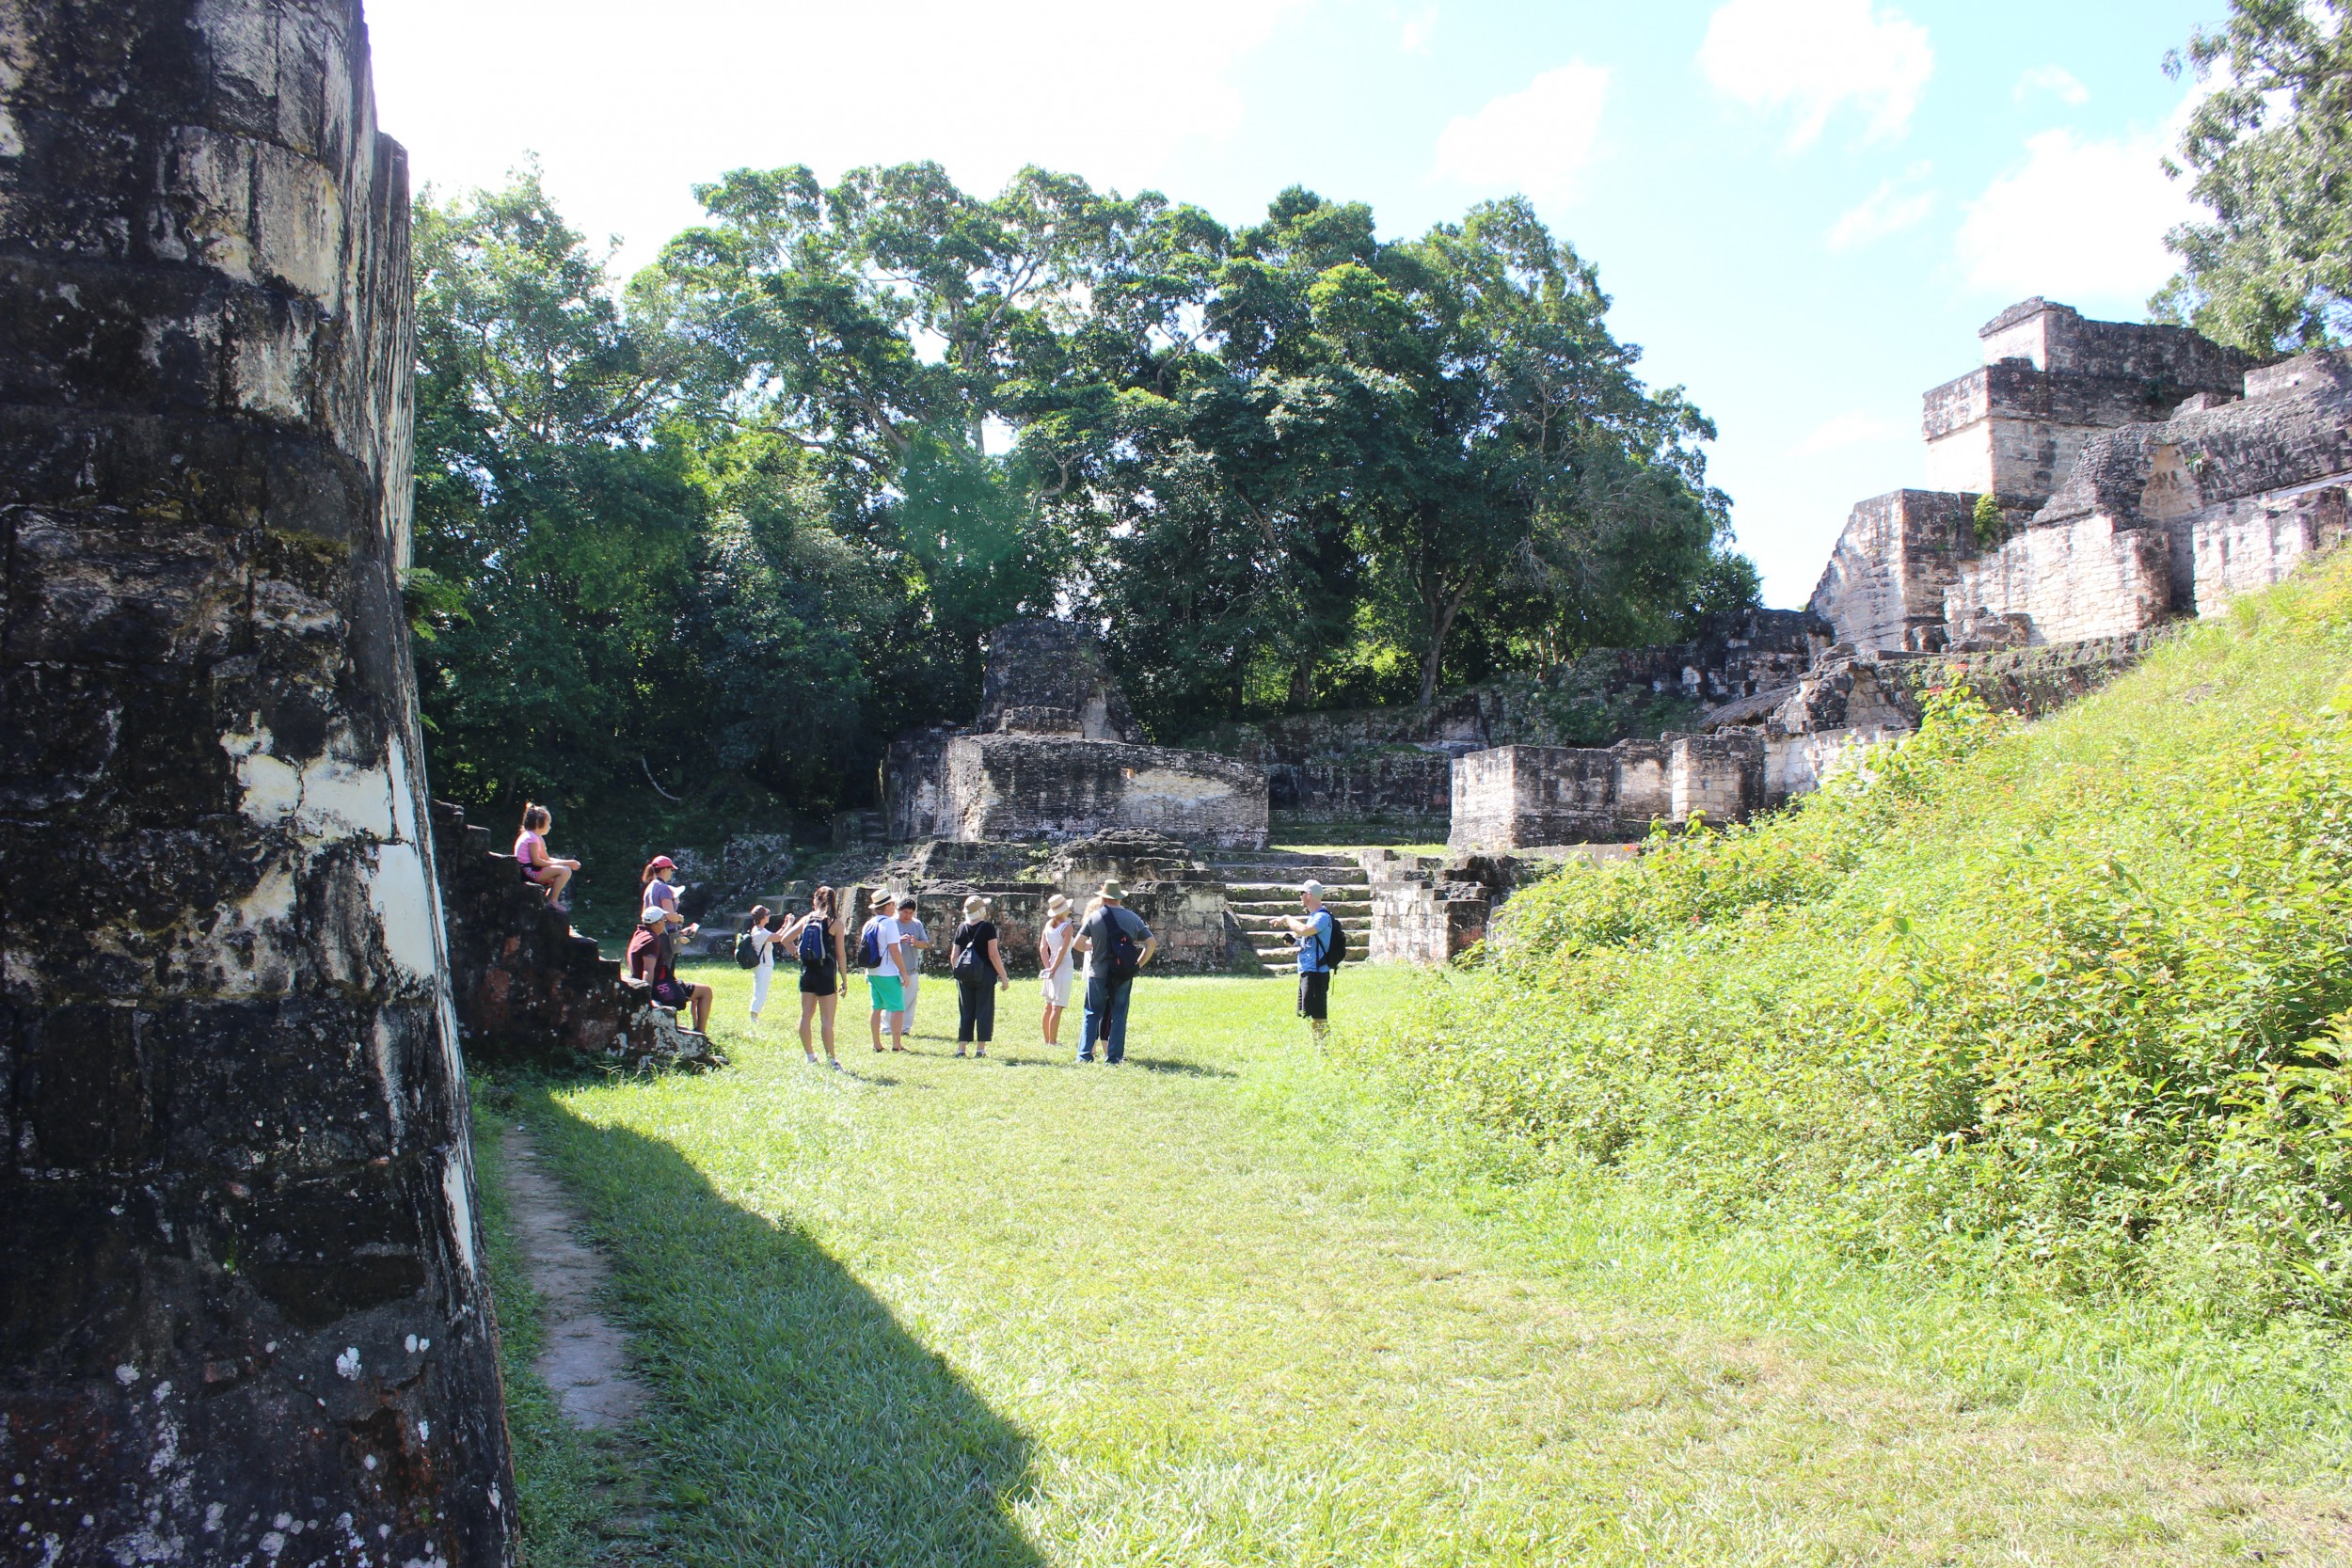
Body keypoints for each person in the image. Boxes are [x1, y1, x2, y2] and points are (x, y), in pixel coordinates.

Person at [1072, 879, 1155, 1065]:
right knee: (1118, 1014)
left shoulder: (1095, 917)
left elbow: (1077, 944)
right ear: (1119, 898)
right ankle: (1114, 1057)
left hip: (1098, 972)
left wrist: (1094, 945)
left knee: (1091, 1013)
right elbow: (1151, 943)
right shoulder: (1133, 918)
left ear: (1103, 897)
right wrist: (1138, 965)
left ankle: (1084, 1055)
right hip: (1123, 972)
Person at [638, 857, 711, 1033]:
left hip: (656, 934)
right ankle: (666, 1015)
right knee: (666, 975)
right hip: (665, 937)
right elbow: (669, 914)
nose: (671, 873)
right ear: (664, 870)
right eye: (671, 870)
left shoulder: (650, 887)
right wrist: (679, 918)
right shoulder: (663, 888)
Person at [781, 887, 849, 1069]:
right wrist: (844, 978)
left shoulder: (807, 919)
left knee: (805, 1016)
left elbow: (785, 939)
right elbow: (840, 954)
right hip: (825, 974)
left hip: (807, 972)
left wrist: (797, 953)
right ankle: (832, 1060)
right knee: (827, 1020)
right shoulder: (835, 923)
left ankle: (810, 1056)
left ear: (816, 900)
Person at [948, 895, 1011, 1057]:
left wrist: (959, 971)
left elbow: (954, 955)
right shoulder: (988, 928)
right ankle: (980, 1049)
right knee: (984, 1010)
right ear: (982, 911)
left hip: (965, 976)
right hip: (985, 974)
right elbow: (993, 954)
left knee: (966, 1011)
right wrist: (1003, 975)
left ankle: (961, 1049)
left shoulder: (961, 928)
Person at [1279, 879, 1339, 1047]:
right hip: (1309, 970)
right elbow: (1308, 940)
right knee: (1311, 1013)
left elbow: (1304, 930)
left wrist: (1287, 918)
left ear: (1309, 895)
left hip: (1317, 972)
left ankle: (1324, 1048)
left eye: (1301, 893)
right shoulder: (1314, 917)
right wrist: (1295, 943)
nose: (1300, 896)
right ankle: (1320, 1046)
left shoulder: (1321, 917)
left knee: (1319, 1014)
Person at [859, 890, 913, 1053]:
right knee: (897, 1008)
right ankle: (896, 1045)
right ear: (887, 906)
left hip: (872, 971)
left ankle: (877, 1044)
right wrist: (903, 972)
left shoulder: (869, 923)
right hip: (887, 972)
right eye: (893, 904)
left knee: (877, 1008)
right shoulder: (889, 924)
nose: (894, 907)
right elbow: (894, 950)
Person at [513, 803, 579, 912]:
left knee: (566, 870)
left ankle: (549, 899)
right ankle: (552, 901)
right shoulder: (532, 838)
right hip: (527, 872)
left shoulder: (536, 837)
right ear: (539, 823)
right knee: (563, 871)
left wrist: (568, 863)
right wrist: (562, 865)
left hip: (531, 870)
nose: (550, 827)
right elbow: (537, 862)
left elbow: (546, 859)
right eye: (548, 824)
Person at [1037, 893, 1077, 1048]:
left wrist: (1048, 967)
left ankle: (1047, 1039)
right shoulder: (1067, 926)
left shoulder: (1048, 925)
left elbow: (1043, 948)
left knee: (1048, 1004)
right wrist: (1053, 968)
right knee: (1057, 1005)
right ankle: (1052, 1042)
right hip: (1063, 965)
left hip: (1052, 963)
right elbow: (1063, 950)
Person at [896, 898, 933, 1037]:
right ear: (899, 910)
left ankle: (905, 1028)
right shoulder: (892, 924)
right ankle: (887, 1028)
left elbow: (926, 943)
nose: (907, 916)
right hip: (894, 969)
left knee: (910, 999)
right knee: (893, 1000)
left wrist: (916, 942)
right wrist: (899, 941)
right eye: (905, 912)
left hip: (911, 968)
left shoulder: (917, 924)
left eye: (911, 913)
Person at [743, 904, 783, 1026]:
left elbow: (775, 936)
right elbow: (779, 937)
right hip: (763, 965)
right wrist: (789, 924)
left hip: (763, 965)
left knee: (760, 989)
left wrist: (786, 925)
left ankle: (754, 1014)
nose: (769, 916)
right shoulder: (760, 933)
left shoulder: (758, 930)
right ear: (762, 917)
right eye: (767, 914)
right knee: (761, 991)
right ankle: (754, 1015)